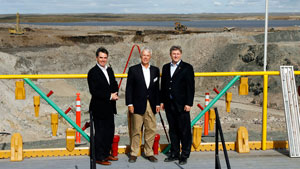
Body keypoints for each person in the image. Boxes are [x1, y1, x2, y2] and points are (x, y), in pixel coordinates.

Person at [160, 45, 195, 165]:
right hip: (169, 105)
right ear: (170, 55)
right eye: (173, 54)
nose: (175, 56)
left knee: (184, 131)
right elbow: (163, 86)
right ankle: (174, 153)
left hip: (182, 105)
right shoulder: (165, 67)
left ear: (181, 54)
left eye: (177, 54)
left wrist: (189, 103)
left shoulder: (187, 68)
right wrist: (162, 101)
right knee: (173, 130)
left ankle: (184, 155)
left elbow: (191, 87)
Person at [125, 47, 160, 163]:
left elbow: (157, 90)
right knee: (136, 129)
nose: (145, 57)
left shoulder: (155, 70)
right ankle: (134, 153)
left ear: (150, 57)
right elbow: (129, 88)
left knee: (151, 129)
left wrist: (158, 103)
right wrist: (130, 104)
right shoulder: (133, 70)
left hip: (151, 104)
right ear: (141, 56)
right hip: (137, 104)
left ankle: (149, 152)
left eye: (147, 55)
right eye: (143, 55)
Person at [87, 47, 119, 166]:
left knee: (109, 132)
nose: (103, 60)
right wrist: (110, 96)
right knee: (100, 133)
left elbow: (114, 83)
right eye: (101, 57)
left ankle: (106, 153)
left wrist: (115, 93)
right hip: (99, 107)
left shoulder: (109, 70)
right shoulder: (92, 72)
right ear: (96, 58)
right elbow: (94, 91)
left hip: (110, 107)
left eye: (105, 58)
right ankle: (99, 157)